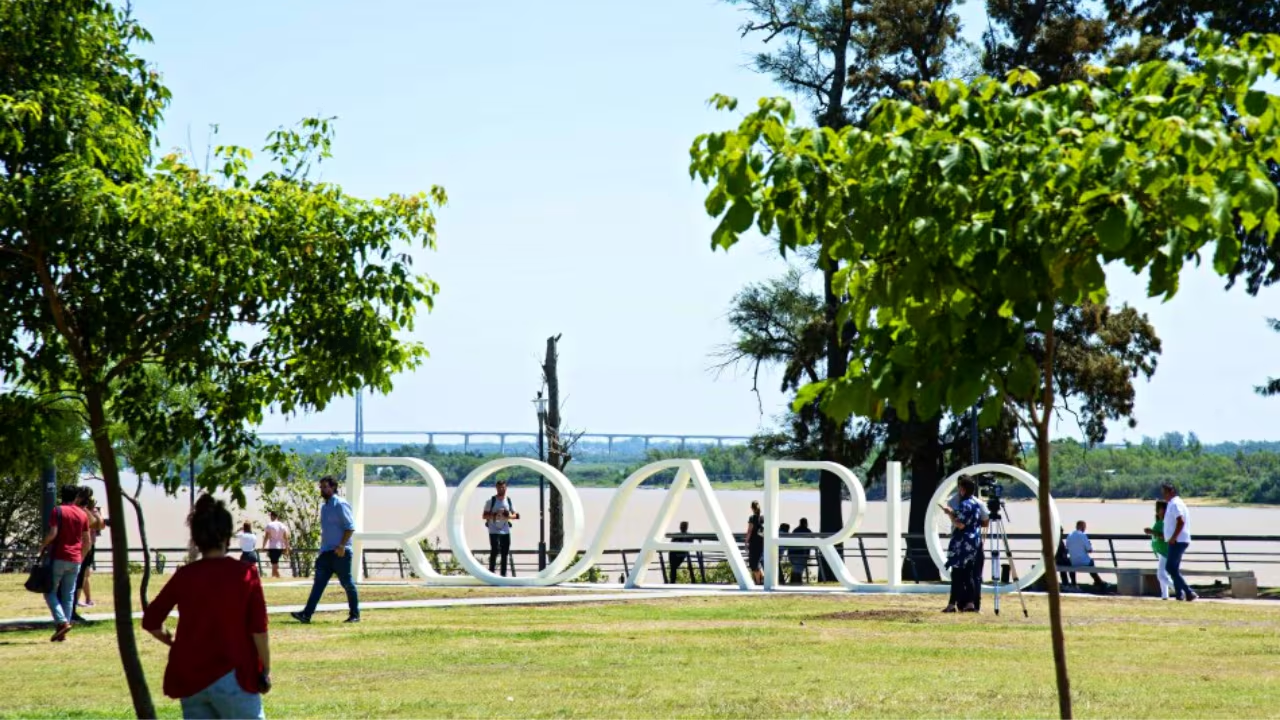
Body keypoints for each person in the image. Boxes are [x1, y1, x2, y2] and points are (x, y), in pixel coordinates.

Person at [142, 494, 270, 719]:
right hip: (234, 676)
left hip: (191, 678)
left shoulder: (185, 575)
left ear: (196, 538)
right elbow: (258, 630)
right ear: (227, 536)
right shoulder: (245, 574)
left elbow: (151, 620)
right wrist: (265, 669)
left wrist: (171, 640)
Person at [291, 476, 361, 624]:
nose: (322, 490)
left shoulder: (340, 504)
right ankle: (306, 615)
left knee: (347, 583)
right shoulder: (324, 507)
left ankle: (355, 615)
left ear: (333, 487)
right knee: (318, 584)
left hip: (340, 553)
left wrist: (342, 546)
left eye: (325, 487)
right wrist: (322, 550)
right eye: (321, 487)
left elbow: (350, 527)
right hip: (326, 553)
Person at [39, 484, 91, 641]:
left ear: (61, 495)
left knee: (50, 592)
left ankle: (62, 622)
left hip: (59, 556)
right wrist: (81, 558)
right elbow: (87, 541)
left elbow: (53, 533)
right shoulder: (82, 514)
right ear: (76, 497)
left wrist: (42, 546)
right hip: (75, 559)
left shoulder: (58, 510)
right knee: (68, 595)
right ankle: (63, 631)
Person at [940, 476, 982, 613]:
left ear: (963, 489)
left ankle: (952, 604)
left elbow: (960, 524)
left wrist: (950, 514)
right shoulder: (975, 504)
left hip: (962, 543)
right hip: (973, 542)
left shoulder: (964, 504)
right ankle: (970, 603)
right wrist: (953, 513)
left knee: (957, 574)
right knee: (968, 574)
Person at [1161, 482, 1197, 601]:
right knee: (1174, 569)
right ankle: (1179, 594)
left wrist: (1173, 537)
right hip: (1178, 540)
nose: (1163, 495)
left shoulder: (1175, 504)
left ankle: (1188, 592)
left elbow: (1180, 521)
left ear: (1172, 492)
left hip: (1178, 541)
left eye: (1165, 492)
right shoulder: (1173, 503)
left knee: (1170, 568)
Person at [74, 486, 106, 612]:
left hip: (89, 545)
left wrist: (88, 509)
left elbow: (100, 524)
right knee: (80, 573)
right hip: (77, 545)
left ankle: (87, 599)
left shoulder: (91, 509)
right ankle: (76, 599)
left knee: (85, 573)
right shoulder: (75, 509)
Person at [482, 480, 520, 577]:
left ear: (506, 488)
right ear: (496, 488)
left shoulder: (509, 500)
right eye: (499, 487)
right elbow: (484, 516)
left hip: (505, 530)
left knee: (505, 553)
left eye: (503, 487)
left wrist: (508, 516)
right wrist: (495, 515)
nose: (501, 489)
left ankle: (503, 576)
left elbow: (516, 515)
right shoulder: (491, 501)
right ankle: (491, 574)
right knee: (494, 551)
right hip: (493, 530)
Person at [1143, 500, 1172, 600]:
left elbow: (1165, 537)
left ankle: (1181, 590)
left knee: (1161, 575)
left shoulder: (1165, 523)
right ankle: (1165, 595)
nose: (1157, 510)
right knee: (1164, 574)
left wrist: (1152, 532)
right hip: (1160, 552)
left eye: (1159, 509)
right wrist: (1152, 532)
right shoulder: (1159, 522)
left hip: (1165, 552)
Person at [1065, 520, 1106, 587]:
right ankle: (1098, 581)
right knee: (1091, 562)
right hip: (1083, 561)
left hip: (1073, 562)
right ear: (1081, 526)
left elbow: (1067, 547)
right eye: (1084, 526)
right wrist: (1088, 545)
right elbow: (1090, 550)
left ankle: (1073, 583)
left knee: (1071, 564)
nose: (1085, 528)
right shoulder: (1083, 535)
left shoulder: (1069, 535)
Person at [262, 512, 290, 579]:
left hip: (273, 546)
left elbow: (266, 537)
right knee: (275, 562)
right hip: (280, 547)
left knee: (274, 563)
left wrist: (263, 546)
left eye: (271, 516)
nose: (270, 517)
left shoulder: (270, 525)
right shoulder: (282, 525)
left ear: (273, 516)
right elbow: (286, 538)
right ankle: (273, 577)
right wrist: (287, 548)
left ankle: (279, 577)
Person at [745, 501, 765, 585]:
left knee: (753, 563)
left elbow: (749, 531)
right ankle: (762, 578)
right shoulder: (763, 518)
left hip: (754, 542)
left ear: (752, 508)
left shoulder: (752, 518)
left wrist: (746, 541)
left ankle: (758, 582)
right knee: (758, 561)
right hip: (761, 542)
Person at [788, 518, 812, 585]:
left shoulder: (795, 530)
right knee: (799, 568)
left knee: (795, 568)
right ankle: (797, 581)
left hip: (792, 553)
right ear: (806, 523)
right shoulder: (807, 531)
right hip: (801, 553)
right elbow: (811, 541)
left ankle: (794, 581)